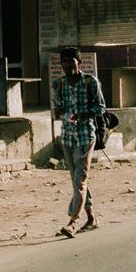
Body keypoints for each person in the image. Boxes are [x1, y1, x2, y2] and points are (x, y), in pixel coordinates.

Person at [53, 46, 105, 238]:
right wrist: (59, 111)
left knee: (80, 179)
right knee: (76, 180)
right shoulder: (58, 84)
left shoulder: (91, 82)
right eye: (63, 62)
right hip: (67, 137)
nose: (67, 65)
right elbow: (57, 107)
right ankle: (91, 218)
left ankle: (73, 222)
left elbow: (100, 107)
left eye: (70, 61)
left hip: (85, 135)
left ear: (79, 62)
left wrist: (83, 115)